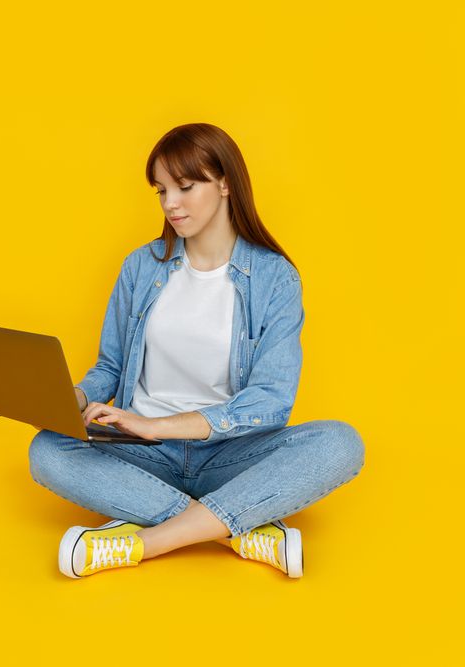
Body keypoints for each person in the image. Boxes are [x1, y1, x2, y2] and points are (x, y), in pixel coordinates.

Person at [28, 123, 365, 579]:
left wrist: (155, 425)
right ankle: (237, 526)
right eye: (161, 190)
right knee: (47, 450)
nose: (171, 204)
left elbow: (271, 401)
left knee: (339, 443)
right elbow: (110, 366)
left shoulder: (274, 279)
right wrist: (80, 399)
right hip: (145, 455)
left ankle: (143, 542)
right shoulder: (141, 267)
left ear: (225, 182)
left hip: (228, 456)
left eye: (186, 187)